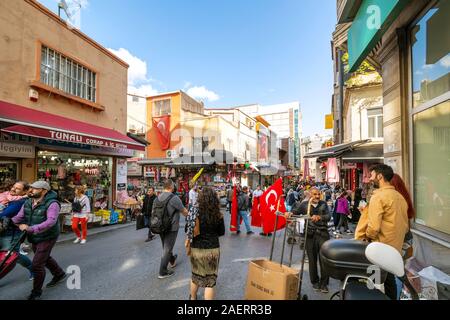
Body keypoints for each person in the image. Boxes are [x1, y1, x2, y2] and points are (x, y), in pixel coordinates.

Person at [12, 181, 67, 300]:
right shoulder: (28, 202)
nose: (31, 190)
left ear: (44, 191)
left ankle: (36, 293)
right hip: (34, 236)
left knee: (37, 264)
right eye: (31, 188)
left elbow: (51, 221)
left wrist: (32, 228)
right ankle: (59, 274)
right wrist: (11, 221)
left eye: (35, 189)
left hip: (47, 236)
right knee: (44, 257)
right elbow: (19, 217)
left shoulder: (52, 204)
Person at [364, 164, 409, 300]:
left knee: (374, 282)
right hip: (395, 248)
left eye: (372, 175)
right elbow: (405, 226)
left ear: (380, 176)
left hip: (379, 248)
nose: (370, 178)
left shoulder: (378, 197)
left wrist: (367, 236)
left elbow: (374, 227)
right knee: (390, 282)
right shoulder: (400, 197)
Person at [187, 187, 225, 300]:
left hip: (196, 249)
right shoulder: (218, 214)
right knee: (210, 281)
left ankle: (193, 299)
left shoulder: (194, 212)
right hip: (212, 249)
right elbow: (221, 232)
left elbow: (188, 229)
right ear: (214, 199)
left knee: (195, 276)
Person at [291, 187, 331, 293]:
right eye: (314, 194)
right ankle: (315, 282)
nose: (317, 196)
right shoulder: (304, 205)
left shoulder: (323, 204)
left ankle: (324, 284)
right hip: (309, 235)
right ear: (310, 194)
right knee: (312, 261)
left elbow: (328, 216)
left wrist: (319, 217)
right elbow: (295, 212)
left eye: (318, 194)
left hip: (323, 234)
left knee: (323, 260)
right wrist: (289, 213)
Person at [0, 181, 34, 280]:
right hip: (3, 231)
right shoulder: (8, 197)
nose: (13, 189)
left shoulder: (20, 202)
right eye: (14, 187)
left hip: (11, 233)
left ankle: (33, 269)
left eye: (18, 188)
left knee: (13, 256)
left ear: (24, 192)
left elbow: (4, 214)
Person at [156, 179, 189, 279]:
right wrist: (191, 215)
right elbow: (184, 211)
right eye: (174, 185)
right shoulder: (174, 198)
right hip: (171, 226)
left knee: (166, 246)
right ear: (171, 186)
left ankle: (172, 259)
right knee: (167, 248)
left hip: (159, 225)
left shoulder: (158, 197)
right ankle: (162, 271)